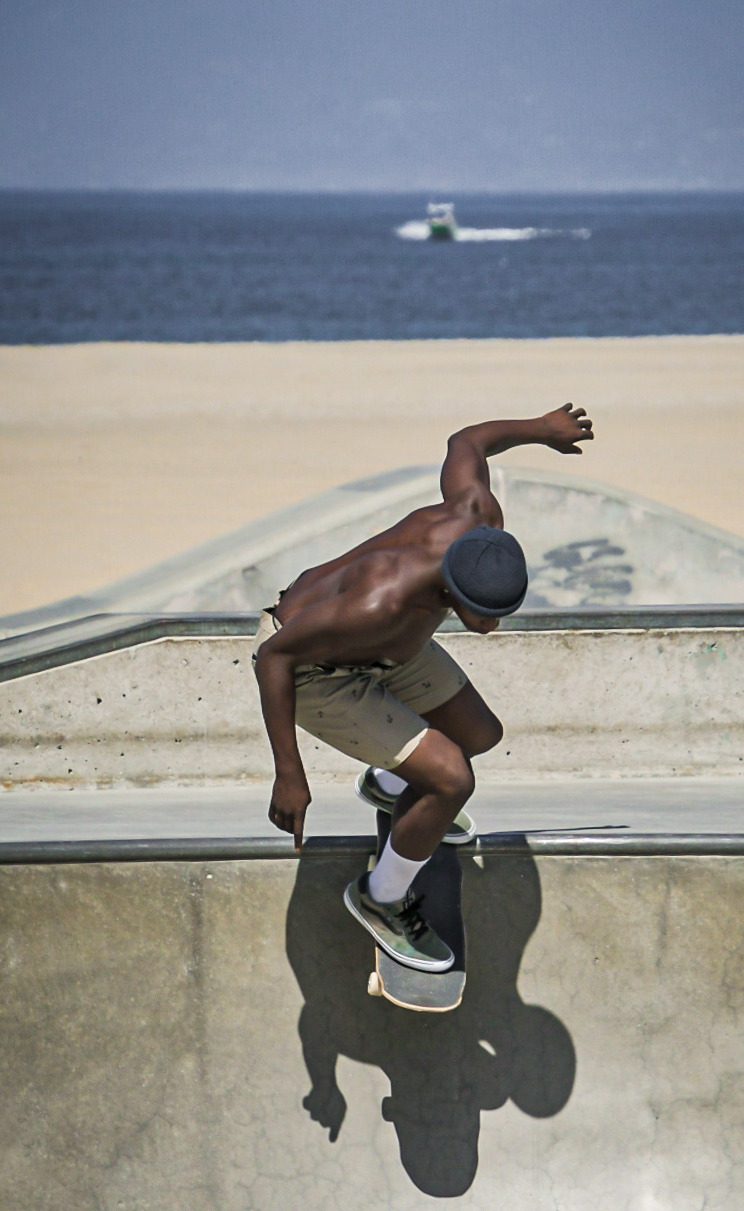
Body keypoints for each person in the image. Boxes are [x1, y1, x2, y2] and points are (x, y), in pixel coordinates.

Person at [253, 402, 594, 971]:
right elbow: (274, 658)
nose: (491, 626)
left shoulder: (478, 518)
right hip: (315, 667)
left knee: (480, 735)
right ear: (452, 589)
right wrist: (289, 774)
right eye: (481, 614)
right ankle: (380, 898)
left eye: (501, 612)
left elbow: (467, 441)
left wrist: (541, 430)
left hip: (389, 649)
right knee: (453, 778)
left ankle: (392, 783)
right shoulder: (379, 601)